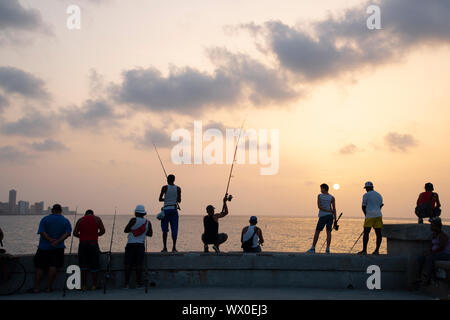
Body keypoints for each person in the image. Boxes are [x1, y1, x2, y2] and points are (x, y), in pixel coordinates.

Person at [28, 204, 72, 293]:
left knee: (40, 267)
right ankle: (48, 288)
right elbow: (67, 233)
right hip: (58, 248)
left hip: (43, 248)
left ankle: (36, 288)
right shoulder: (65, 220)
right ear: (61, 211)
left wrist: (50, 240)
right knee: (53, 267)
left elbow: (42, 232)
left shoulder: (45, 219)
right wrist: (58, 241)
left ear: (52, 210)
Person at [73, 209, 106, 291]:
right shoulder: (97, 219)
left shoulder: (80, 220)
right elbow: (103, 231)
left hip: (83, 245)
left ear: (85, 214)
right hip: (93, 244)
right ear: (92, 214)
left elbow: (75, 233)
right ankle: (94, 285)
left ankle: (84, 286)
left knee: (83, 265)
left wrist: (82, 236)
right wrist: (96, 235)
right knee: (94, 265)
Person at [123, 205, 152, 289]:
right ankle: (138, 284)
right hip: (140, 245)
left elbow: (126, 230)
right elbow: (150, 234)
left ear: (136, 212)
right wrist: (143, 231)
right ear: (144, 213)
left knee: (128, 264)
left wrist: (133, 229)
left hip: (131, 244)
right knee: (139, 265)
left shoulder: (133, 220)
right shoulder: (148, 222)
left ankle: (126, 284)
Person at [417, 218, 450, 285]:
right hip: (436, 253)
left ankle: (428, 277)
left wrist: (431, 252)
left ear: (436, 226)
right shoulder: (433, 235)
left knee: (430, 258)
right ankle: (419, 276)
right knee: (421, 258)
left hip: (445, 254)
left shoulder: (443, 235)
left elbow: (441, 247)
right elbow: (431, 246)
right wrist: (428, 252)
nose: (430, 227)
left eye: (432, 225)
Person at [307, 184, 337, 254]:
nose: (320, 190)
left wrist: (330, 214)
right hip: (330, 216)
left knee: (317, 231)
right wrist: (335, 219)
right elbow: (334, 209)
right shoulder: (332, 197)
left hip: (323, 216)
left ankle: (313, 248)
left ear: (324, 189)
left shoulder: (319, 196)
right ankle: (327, 249)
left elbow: (319, 207)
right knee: (328, 232)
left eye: (321, 188)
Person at [358, 181, 384, 255]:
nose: (365, 189)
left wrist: (366, 215)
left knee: (366, 232)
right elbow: (380, 205)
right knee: (378, 233)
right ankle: (377, 250)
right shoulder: (379, 195)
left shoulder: (366, 195)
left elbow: (363, 207)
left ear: (367, 188)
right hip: (378, 215)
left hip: (369, 215)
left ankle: (364, 250)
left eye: (366, 188)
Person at [159, 174, 181, 252]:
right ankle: (174, 247)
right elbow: (179, 200)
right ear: (174, 180)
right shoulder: (178, 188)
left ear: (167, 180)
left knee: (165, 229)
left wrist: (166, 199)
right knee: (174, 229)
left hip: (166, 210)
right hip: (174, 210)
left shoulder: (164, 187)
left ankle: (165, 248)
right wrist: (173, 199)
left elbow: (160, 199)